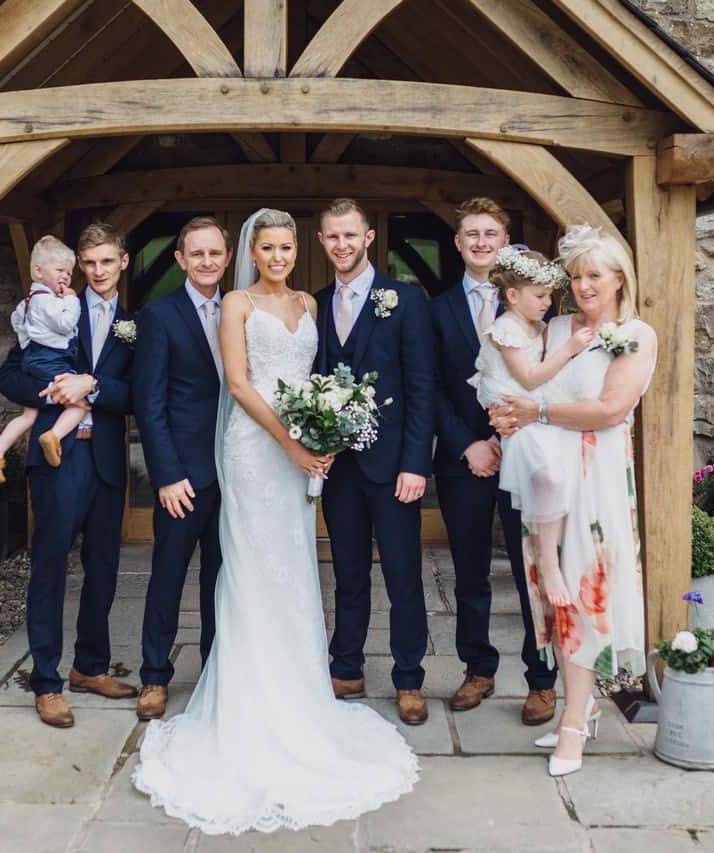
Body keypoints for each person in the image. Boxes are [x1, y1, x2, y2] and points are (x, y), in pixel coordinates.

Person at [133, 208, 417, 835]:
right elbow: (237, 382)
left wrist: (326, 429)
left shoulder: (311, 310)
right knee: (251, 570)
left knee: (292, 570)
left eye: (287, 247)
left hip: (300, 458)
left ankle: (299, 694)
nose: (279, 256)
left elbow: (315, 381)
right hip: (256, 452)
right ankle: (246, 700)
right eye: (268, 247)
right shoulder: (235, 302)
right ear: (253, 252)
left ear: (298, 251)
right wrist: (292, 442)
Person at [489, 225, 658, 777]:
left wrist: (533, 414)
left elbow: (610, 411)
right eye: (577, 276)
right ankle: (574, 711)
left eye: (595, 275)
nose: (583, 285)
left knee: (588, 594)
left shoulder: (637, 334)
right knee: (553, 597)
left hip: (599, 477)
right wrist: (505, 415)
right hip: (550, 480)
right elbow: (528, 387)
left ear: (619, 280)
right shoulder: (557, 327)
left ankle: (573, 726)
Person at [0, 223, 139, 728]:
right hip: (56, 462)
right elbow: (9, 375)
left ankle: (90, 667)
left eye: (107, 262)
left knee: (103, 568)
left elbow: (138, 393)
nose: (97, 271)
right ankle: (47, 682)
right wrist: (58, 392)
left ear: (123, 262)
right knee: (51, 567)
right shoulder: (51, 308)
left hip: (105, 461)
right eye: (89, 262)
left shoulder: (134, 325)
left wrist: (92, 386)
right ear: (79, 264)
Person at [429, 197, 558, 723]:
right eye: (470, 234)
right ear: (458, 243)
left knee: (535, 566)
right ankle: (477, 668)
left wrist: (519, 431)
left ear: (505, 242)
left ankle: (542, 677)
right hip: (466, 460)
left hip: (527, 452)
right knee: (470, 571)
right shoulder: (434, 310)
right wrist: (469, 443)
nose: (481, 242)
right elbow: (430, 388)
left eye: (490, 234)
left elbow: (555, 376)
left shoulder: (539, 310)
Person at [315, 198, 434, 726]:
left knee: (404, 574)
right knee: (347, 571)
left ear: (368, 238)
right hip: (338, 468)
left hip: (393, 467)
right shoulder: (313, 304)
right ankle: (347, 665)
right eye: (332, 237)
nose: (342, 245)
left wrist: (416, 464)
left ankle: (409, 678)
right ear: (322, 242)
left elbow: (421, 388)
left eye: (350, 236)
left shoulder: (404, 301)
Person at [131, 217, 231, 722]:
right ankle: (154, 676)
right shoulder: (160, 315)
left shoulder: (239, 309)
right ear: (180, 259)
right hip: (183, 477)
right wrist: (166, 476)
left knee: (221, 579)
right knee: (168, 575)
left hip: (233, 474)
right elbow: (149, 404)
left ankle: (214, 670)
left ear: (227, 256)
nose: (207, 262)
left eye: (215, 253)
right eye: (197, 254)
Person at [470, 247, 593, 609]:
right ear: (512, 295)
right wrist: (569, 347)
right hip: (515, 409)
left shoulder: (539, 325)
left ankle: (559, 550)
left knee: (564, 474)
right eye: (539, 296)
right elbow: (527, 377)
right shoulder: (505, 328)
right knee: (549, 477)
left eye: (550, 295)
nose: (547, 302)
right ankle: (548, 560)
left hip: (536, 408)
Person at [0, 236, 86, 481]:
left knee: (29, 415)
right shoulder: (48, 300)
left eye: (69, 273)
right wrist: (71, 299)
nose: (66, 277)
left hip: (34, 357)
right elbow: (66, 322)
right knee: (78, 405)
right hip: (51, 360)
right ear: (38, 271)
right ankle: (53, 437)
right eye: (60, 270)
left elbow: (17, 322)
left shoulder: (28, 301)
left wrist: (30, 343)